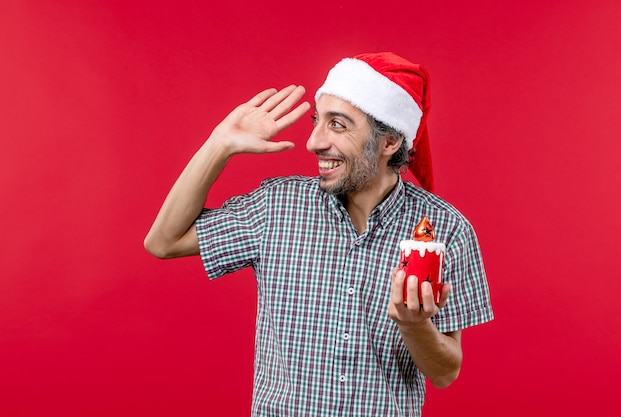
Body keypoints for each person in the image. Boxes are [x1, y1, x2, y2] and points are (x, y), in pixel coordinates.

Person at [144, 52, 494, 416]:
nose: (314, 142)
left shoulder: (446, 230)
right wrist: (219, 146)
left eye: (337, 125)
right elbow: (164, 242)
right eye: (317, 121)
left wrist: (415, 325)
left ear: (389, 141)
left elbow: (445, 372)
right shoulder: (276, 207)